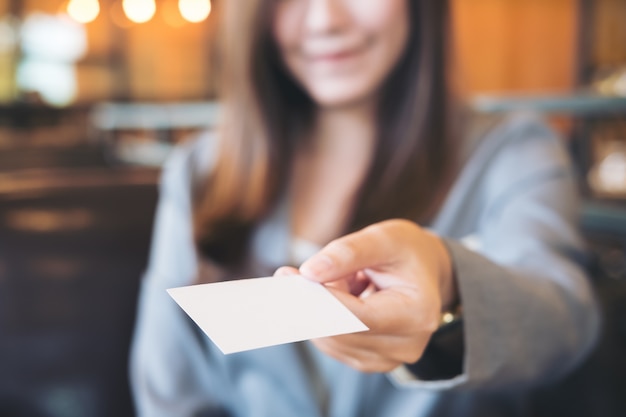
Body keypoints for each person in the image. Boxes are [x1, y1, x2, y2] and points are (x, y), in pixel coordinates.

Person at [129, 0, 600, 416]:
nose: (324, 20)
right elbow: (170, 388)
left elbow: (563, 320)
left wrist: (450, 282)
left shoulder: (511, 152)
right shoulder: (200, 171)